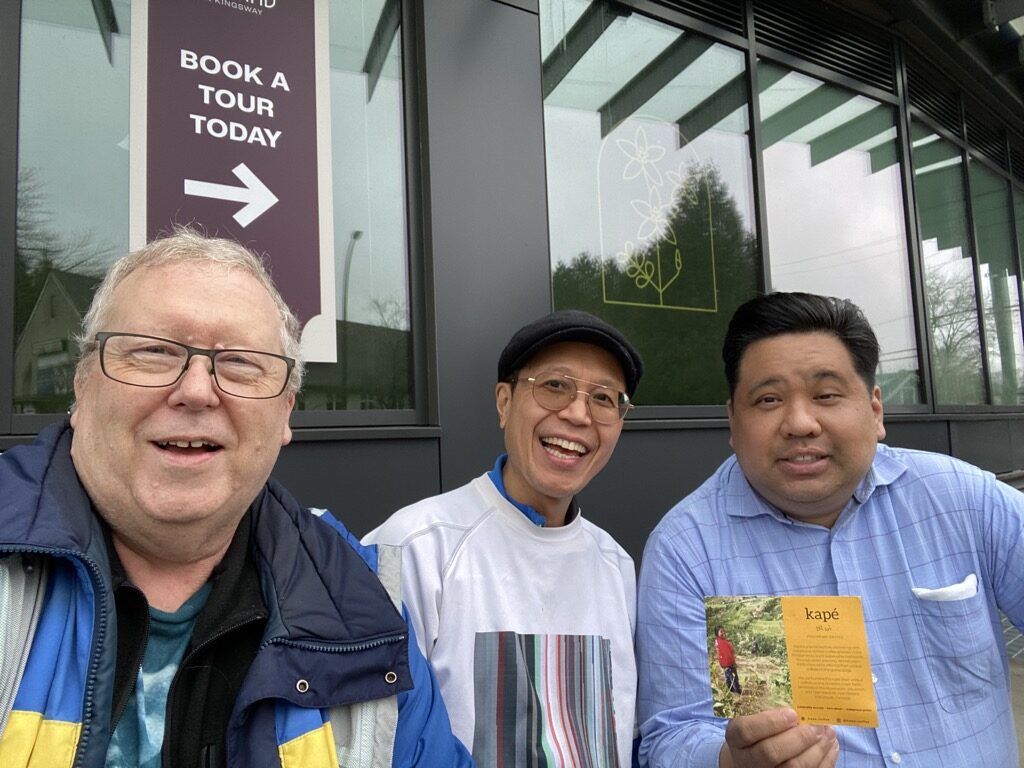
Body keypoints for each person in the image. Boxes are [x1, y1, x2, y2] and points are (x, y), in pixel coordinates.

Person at [0, 229, 471, 768]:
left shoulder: (363, 608)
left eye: (242, 363)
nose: (197, 391)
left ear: (286, 412)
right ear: (82, 388)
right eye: (154, 352)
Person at [636, 291, 1024, 768]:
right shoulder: (686, 549)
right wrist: (727, 760)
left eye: (826, 395)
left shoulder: (965, 499)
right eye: (769, 399)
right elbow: (668, 736)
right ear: (732, 422)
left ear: (875, 410)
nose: (800, 423)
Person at [364, 309, 643, 766]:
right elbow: (373, 736)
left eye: (604, 399)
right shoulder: (417, 544)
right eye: (555, 385)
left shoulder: (616, 565)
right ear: (504, 402)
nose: (577, 414)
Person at [714, 627, 741, 695]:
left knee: (729, 677)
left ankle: (731, 691)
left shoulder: (724, 641)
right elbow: (720, 653)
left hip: (729, 663)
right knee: (733, 678)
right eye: (721, 632)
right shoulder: (718, 642)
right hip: (727, 663)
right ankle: (737, 691)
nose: (723, 633)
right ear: (717, 633)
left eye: (724, 631)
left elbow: (730, 652)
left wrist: (734, 661)